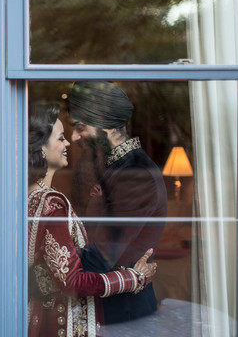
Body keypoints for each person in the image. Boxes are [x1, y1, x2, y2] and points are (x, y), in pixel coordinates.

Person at [27, 103, 157, 337]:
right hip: (64, 324)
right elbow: (73, 282)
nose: (69, 143)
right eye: (61, 138)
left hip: (42, 317)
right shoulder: (52, 203)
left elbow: (53, 262)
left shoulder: (28, 198)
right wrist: (134, 278)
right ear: (41, 149)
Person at [66, 81, 168, 325]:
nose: (74, 137)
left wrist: (46, 265)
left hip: (124, 315)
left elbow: (99, 258)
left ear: (105, 124)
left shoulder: (135, 174)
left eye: (81, 127)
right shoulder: (114, 167)